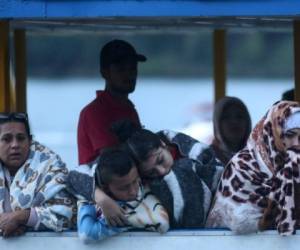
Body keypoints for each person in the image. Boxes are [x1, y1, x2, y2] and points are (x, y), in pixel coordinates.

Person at [206, 101, 300, 236]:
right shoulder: (243, 165)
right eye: (290, 134)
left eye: (239, 117)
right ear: (274, 132)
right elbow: (239, 220)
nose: (296, 143)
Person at [109, 120, 223, 228]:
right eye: (151, 172)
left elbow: (219, 174)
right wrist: (102, 199)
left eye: (160, 160)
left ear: (163, 144)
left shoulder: (195, 154)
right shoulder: (140, 184)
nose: (162, 171)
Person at [68, 148, 169, 243]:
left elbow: (87, 234)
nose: (133, 191)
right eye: (124, 188)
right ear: (105, 188)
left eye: (135, 181)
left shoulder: (120, 212)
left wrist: (84, 200)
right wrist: (100, 197)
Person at [0, 112, 76, 237]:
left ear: (30, 141)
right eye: (7, 139)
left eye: (20, 138)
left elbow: (67, 213)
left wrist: (22, 217)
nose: (15, 145)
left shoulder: (50, 166)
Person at [77, 39, 146, 164]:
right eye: (121, 69)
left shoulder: (129, 109)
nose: (129, 75)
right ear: (104, 73)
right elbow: (111, 158)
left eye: (132, 68)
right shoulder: (94, 112)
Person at [211, 96, 251, 166]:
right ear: (217, 124)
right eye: (226, 117)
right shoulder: (207, 158)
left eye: (239, 116)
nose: (234, 122)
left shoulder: (259, 157)